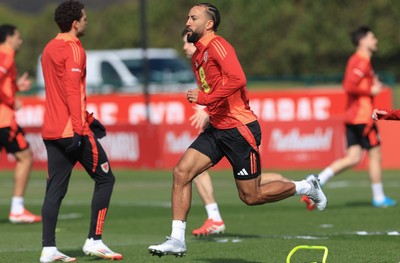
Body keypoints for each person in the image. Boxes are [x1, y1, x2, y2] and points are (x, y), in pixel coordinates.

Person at [148, 3, 327, 257]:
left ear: (209, 24)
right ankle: (177, 239)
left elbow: (238, 79)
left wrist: (205, 100)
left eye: (194, 17)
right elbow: (217, 88)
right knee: (181, 172)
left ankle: (307, 187)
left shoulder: (218, 45)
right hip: (218, 128)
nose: (188, 21)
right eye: (188, 17)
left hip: (239, 128)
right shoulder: (199, 53)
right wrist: (210, 109)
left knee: (251, 197)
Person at [39, 1, 123, 262]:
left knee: (54, 190)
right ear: (75, 23)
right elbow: (72, 91)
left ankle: (48, 249)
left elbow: (61, 91)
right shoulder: (74, 49)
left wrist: (89, 118)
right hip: (71, 130)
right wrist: (80, 127)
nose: (87, 21)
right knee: (106, 178)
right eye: (84, 18)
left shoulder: (49, 48)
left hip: (51, 130)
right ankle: (94, 241)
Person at [302, 26, 397, 211]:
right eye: (372, 37)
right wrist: (370, 90)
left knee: (353, 157)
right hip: (362, 116)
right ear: (363, 41)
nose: (375, 40)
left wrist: (371, 83)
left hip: (352, 116)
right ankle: (379, 198)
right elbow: (349, 85)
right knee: (375, 154)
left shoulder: (359, 61)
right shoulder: (361, 61)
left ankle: (315, 182)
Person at [183, 29, 225, 236]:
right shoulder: (198, 62)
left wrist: (207, 111)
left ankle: (303, 186)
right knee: (192, 168)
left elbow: (228, 88)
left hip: (233, 125)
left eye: (187, 43)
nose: (184, 47)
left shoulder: (210, 57)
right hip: (218, 126)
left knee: (253, 189)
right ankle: (215, 218)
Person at [0, 24, 42, 224]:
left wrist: (16, 87)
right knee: (25, 156)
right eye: (18, 36)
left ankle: (17, 209)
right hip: (4, 120)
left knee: (24, 156)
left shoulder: (7, 58)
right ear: (8, 37)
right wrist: (10, 101)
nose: (21, 41)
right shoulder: (5, 56)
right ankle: (17, 209)